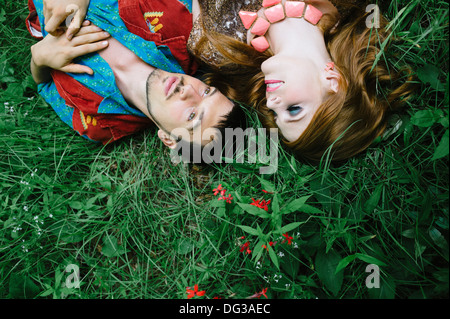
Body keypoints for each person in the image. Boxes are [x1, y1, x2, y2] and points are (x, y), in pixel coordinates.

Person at [187, 0, 413, 162]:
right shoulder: (348, 3)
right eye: (294, 110)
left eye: (277, 115)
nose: (272, 104)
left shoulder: (219, 50)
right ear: (333, 81)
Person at [26, 0, 245, 151]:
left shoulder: (98, 125)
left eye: (192, 116)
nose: (188, 90)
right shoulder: (179, 24)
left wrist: (39, 59)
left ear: (168, 139)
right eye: (206, 91)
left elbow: (44, 86)